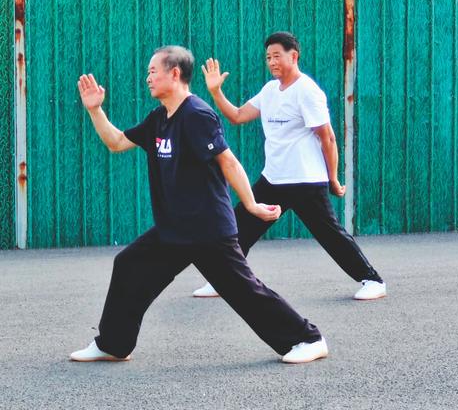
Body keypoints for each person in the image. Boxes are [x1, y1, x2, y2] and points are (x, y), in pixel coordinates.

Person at [70, 45, 327, 364]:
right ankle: (113, 343)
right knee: (129, 265)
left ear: (174, 74)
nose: (147, 78)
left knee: (244, 292)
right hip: (174, 229)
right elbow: (116, 142)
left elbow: (229, 162)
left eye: (153, 71)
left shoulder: (197, 114)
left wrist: (252, 205)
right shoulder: (159, 117)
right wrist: (96, 110)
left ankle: (308, 339)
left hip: (207, 230)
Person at [193, 32, 386, 301]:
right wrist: (216, 92)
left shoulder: (307, 91)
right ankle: (223, 280)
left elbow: (327, 137)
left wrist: (331, 177)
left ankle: (372, 280)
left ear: (293, 56)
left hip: (306, 181)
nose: (271, 62)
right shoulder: (269, 90)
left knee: (330, 235)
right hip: (273, 179)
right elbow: (237, 116)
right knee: (237, 228)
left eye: (277, 56)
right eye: (268, 57)